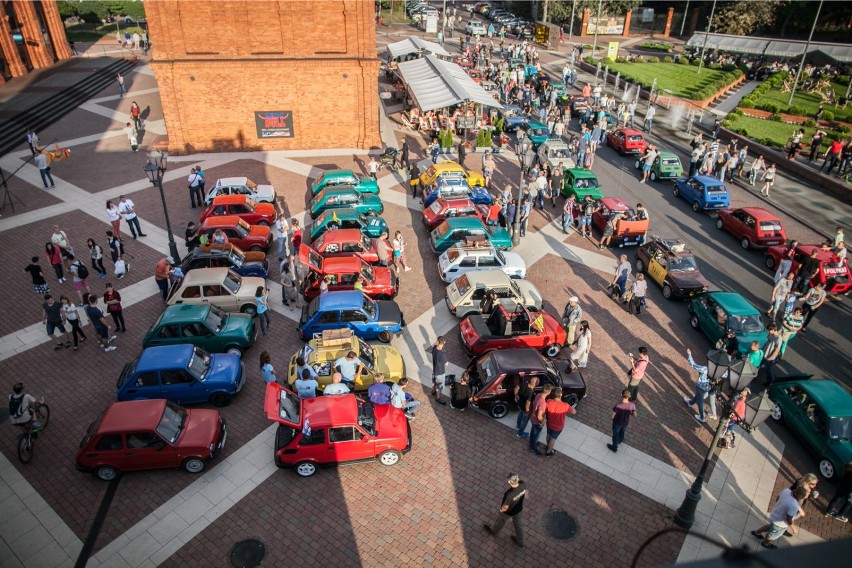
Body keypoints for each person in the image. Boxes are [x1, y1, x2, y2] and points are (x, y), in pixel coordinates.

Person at [483, 473, 527, 549]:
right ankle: (520, 541)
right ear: (518, 479)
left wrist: (501, 510)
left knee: (500, 521)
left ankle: (494, 531)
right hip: (518, 509)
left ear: (509, 482)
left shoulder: (509, 494)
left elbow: (505, 507)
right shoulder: (523, 484)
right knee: (518, 525)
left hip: (508, 513)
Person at [544, 387, 576, 456]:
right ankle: (549, 452)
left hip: (549, 423)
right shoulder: (565, 405)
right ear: (561, 395)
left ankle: (548, 446)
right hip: (558, 426)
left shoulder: (549, 401)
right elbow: (574, 412)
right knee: (553, 438)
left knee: (548, 435)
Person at [683, 349, 713, 422]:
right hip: (708, 386)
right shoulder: (715, 371)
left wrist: (689, 354)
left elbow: (693, 364)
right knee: (698, 396)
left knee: (700, 402)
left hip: (701, 386)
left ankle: (702, 417)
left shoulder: (705, 369)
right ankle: (690, 402)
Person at [761, 323, 783, 388]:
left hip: (769, 357)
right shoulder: (771, 335)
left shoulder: (778, 338)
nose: (768, 332)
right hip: (764, 354)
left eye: (769, 330)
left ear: (773, 330)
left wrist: (770, 358)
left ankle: (769, 382)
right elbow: (767, 342)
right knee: (758, 366)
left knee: (768, 370)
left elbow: (776, 350)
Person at [431, 336, 448, 404]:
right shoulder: (442, 354)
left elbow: (435, 344)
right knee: (439, 386)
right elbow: (446, 363)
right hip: (440, 372)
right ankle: (438, 398)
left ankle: (433, 391)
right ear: (443, 343)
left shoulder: (434, 349)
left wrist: (437, 342)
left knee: (433, 381)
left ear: (438, 342)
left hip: (434, 370)